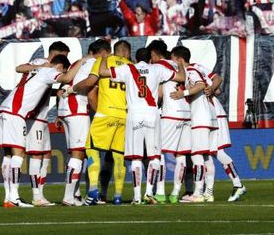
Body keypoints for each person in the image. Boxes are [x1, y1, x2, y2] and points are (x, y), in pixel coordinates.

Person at [98, 47, 185, 204]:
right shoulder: (157, 68)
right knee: (154, 156)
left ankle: (137, 197)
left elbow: (103, 72)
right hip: (152, 114)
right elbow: (180, 77)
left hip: (134, 115)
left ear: (135, 59)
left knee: (136, 158)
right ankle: (149, 193)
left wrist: (104, 57)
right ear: (150, 58)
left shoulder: (127, 68)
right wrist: (181, 65)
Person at [0, 54, 79, 207]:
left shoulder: (38, 69)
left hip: (4, 109)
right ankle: (14, 197)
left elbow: (22, 71)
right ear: (60, 67)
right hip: (16, 113)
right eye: (62, 70)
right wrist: (82, 61)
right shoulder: (49, 71)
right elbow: (67, 78)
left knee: (8, 154)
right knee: (19, 154)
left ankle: (8, 197)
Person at [170, 46, 247, 202]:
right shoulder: (198, 67)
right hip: (212, 112)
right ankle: (209, 192)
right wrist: (212, 88)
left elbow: (210, 84)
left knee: (210, 152)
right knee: (211, 153)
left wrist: (190, 91)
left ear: (179, 59)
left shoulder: (191, 70)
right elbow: (217, 81)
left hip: (209, 113)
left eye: (173, 59)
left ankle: (228, 186)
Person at [64, 40, 132, 205]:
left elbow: (90, 84)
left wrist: (71, 90)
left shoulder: (103, 61)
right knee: (118, 155)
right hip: (124, 115)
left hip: (105, 113)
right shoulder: (131, 66)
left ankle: (93, 190)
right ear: (127, 52)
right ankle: (117, 196)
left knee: (92, 150)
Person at [14, 41, 71, 206]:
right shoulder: (40, 62)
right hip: (34, 116)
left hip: (43, 116)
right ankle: (36, 195)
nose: (64, 60)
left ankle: (41, 193)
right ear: (55, 53)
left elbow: (41, 87)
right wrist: (41, 67)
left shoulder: (51, 71)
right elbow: (19, 68)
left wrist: (56, 92)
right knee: (36, 154)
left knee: (46, 154)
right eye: (63, 55)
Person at [56, 38, 111, 206]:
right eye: (108, 54)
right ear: (103, 53)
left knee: (74, 154)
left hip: (65, 109)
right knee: (79, 153)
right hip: (76, 110)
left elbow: (65, 84)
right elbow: (89, 85)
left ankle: (76, 193)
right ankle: (68, 196)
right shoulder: (94, 63)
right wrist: (102, 113)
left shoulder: (77, 63)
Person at [148, 40, 191, 204]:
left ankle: (159, 192)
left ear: (153, 53)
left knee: (159, 152)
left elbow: (158, 93)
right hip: (186, 114)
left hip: (171, 114)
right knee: (181, 155)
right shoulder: (178, 64)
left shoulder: (159, 66)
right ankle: (175, 193)